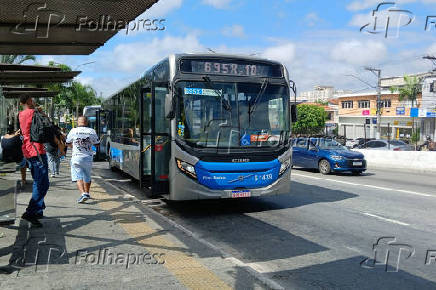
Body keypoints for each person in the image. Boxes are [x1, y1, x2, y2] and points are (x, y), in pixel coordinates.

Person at [18, 96, 50, 227]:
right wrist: (41, 112)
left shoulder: (21, 114)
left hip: (28, 151)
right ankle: (30, 212)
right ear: (28, 102)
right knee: (42, 183)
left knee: (41, 182)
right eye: (32, 100)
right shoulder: (34, 112)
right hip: (37, 151)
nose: (34, 101)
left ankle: (38, 209)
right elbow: (47, 124)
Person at [66, 116, 100, 203]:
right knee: (87, 176)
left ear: (78, 122)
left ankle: (83, 193)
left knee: (78, 177)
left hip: (76, 157)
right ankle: (87, 193)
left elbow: (68, 143)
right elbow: (97, 144)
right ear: (87, 122)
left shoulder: (73, 131)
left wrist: (74, 147)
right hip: (88, 157)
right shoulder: (92, 131)